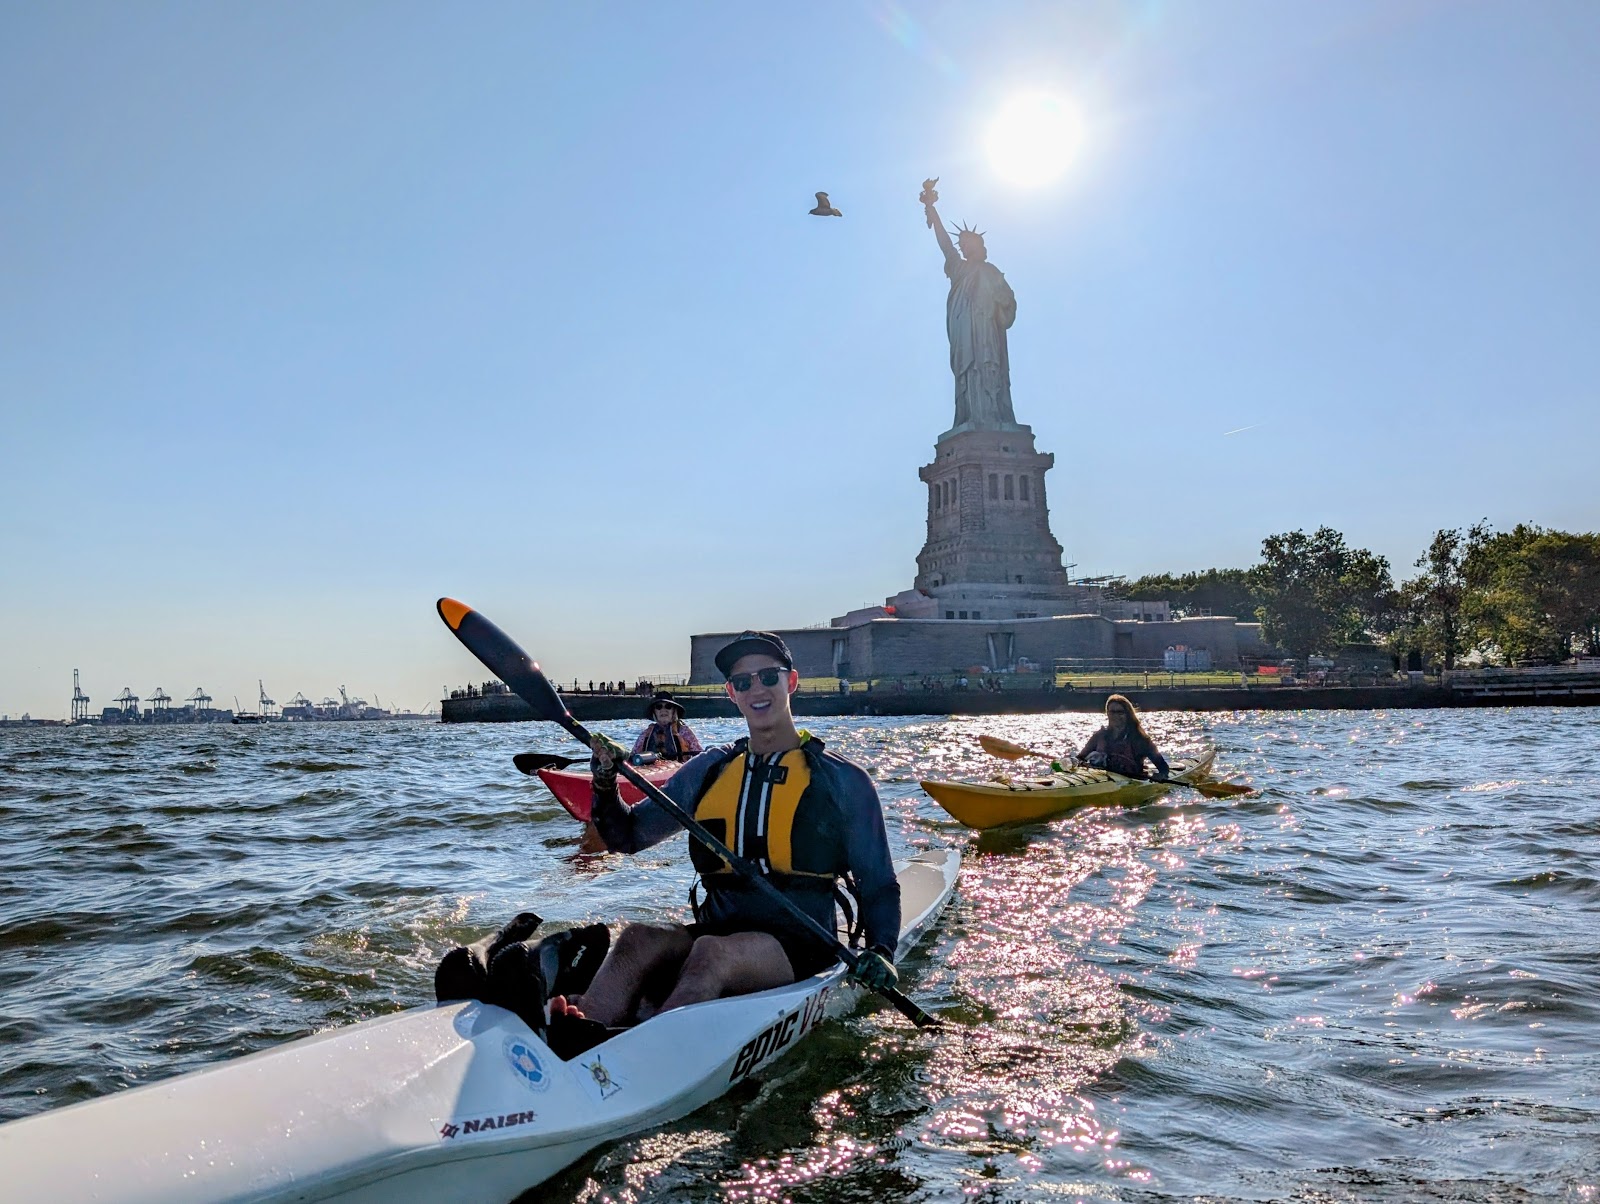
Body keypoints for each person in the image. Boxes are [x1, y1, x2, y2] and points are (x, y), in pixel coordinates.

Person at [549, 631, 901, 1038]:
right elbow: (627, 837)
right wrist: (605, 783)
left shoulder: (842, 780)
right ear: (731, 693)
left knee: (711, 955)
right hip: (720, 928)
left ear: (791, 682)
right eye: (744, 682)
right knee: (637, 940)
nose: (757, 689)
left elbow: (878, 883)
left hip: (802, 944)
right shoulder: (710, 769)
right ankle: (582, 1029)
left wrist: (881, 950)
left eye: (768, 676)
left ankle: (651, 1049)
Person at [1075, 694, 1170, 781]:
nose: (1115, 716)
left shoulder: (1140, 739)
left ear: (1128, 714)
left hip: (1130, 781)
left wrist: (1160, 775)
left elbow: (1163, 768)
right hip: (1101, 779)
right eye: (1112, 712)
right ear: (1107, 713)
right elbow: (1080, 758)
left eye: (1120, 712)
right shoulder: (1099, 736)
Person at [631, 691, 702, 763]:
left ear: (674, 711)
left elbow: (700, 756)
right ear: (654, 712)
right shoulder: (645, 734)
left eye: (668, 706)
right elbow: (632, 756)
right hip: (651, 771)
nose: (663, 710)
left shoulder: (684, 732)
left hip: (681, 770)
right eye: (659, 707)